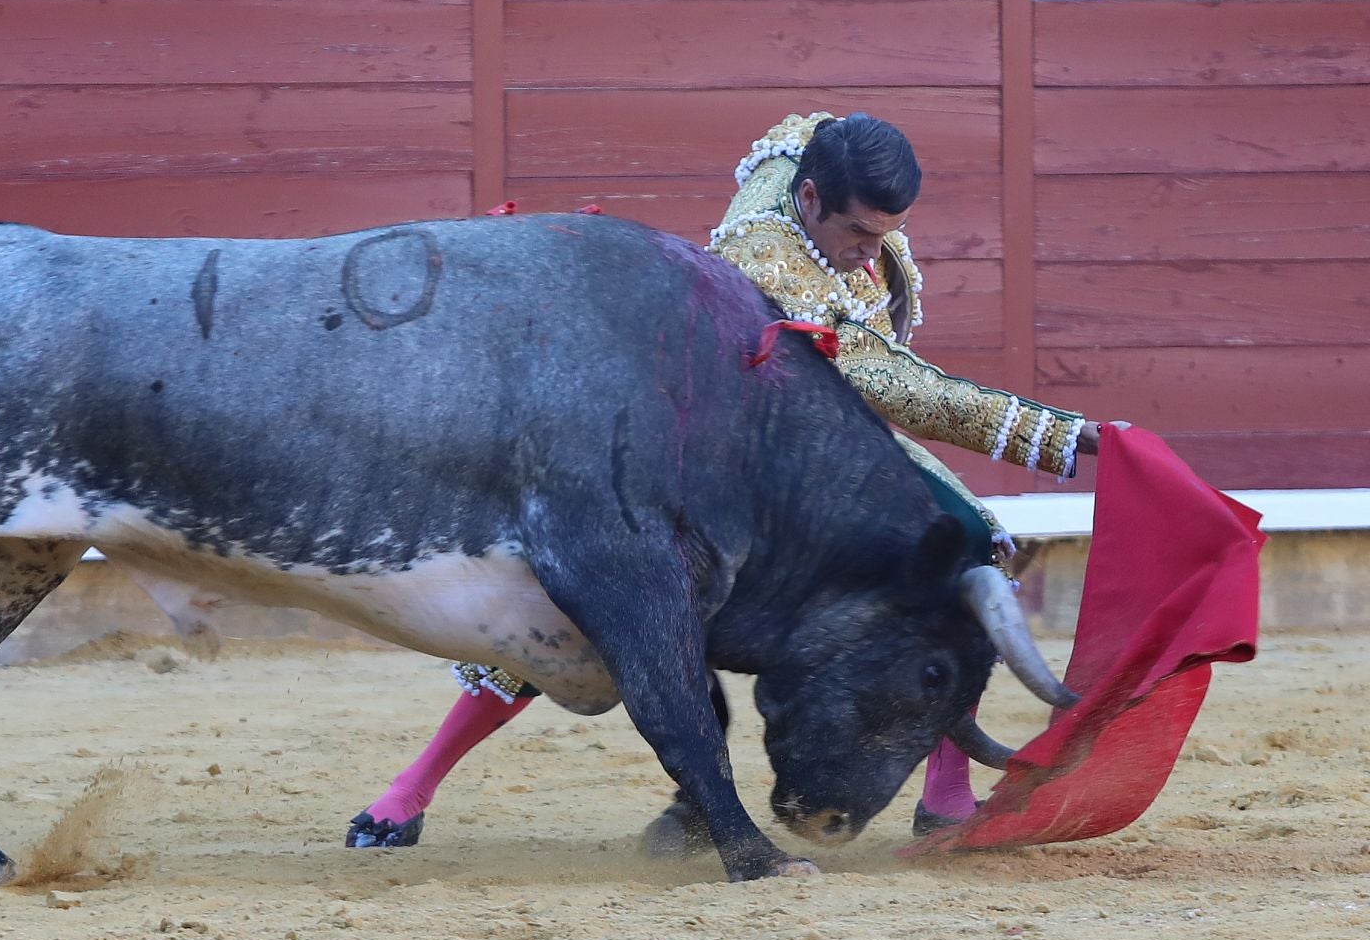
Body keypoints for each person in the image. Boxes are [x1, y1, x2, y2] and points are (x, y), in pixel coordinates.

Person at [344, 112, 1121, 852]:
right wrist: (1061, 434)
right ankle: (414, 785)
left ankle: (945, 786)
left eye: (887, 233)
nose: (870, 252)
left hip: (826, 451)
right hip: (714, 454)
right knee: (580, 596)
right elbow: (893, 384)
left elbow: (807, 128)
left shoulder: (815, 164)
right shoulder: (766, 268)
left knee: (967, 543)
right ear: (810, 201)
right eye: (857, 232)